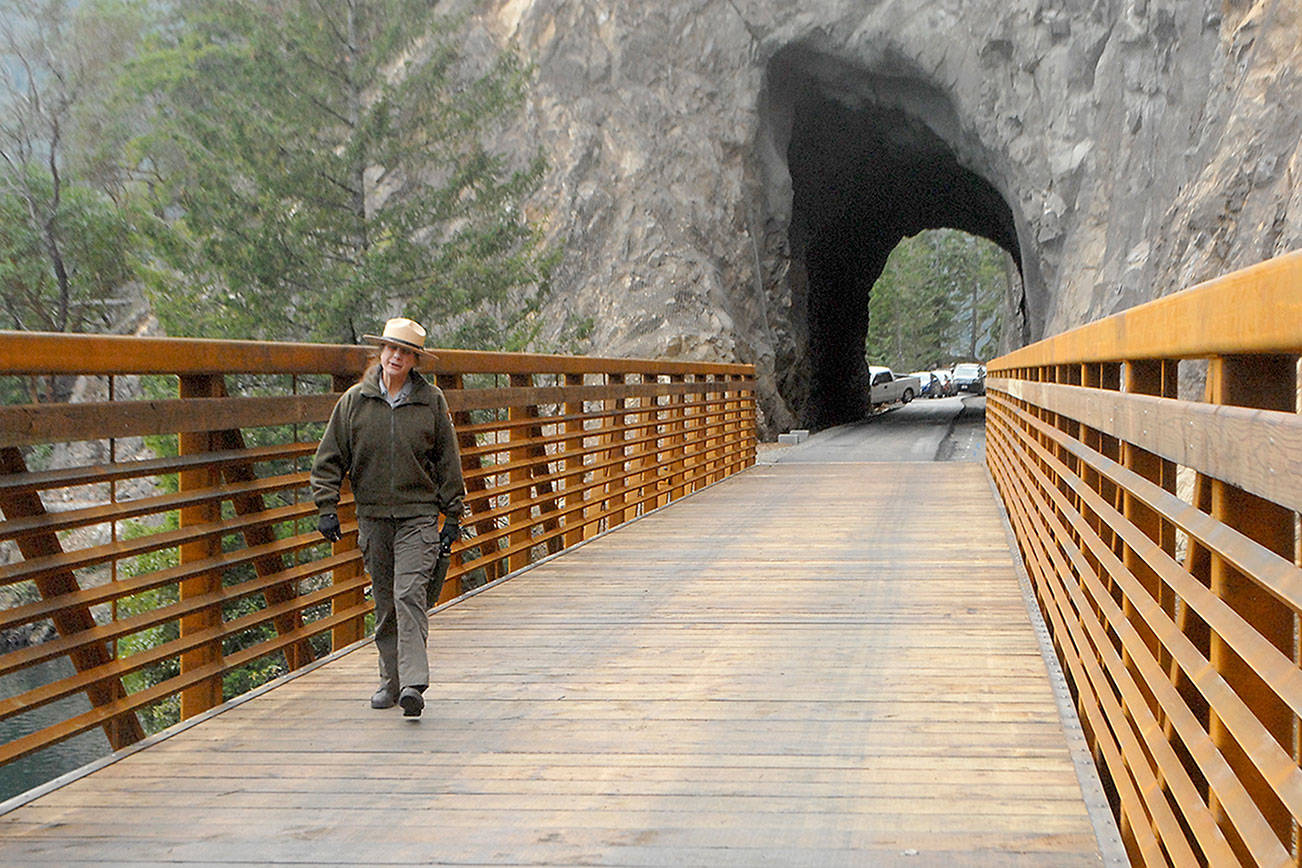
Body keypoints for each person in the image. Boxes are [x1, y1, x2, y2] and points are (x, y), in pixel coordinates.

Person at [310, 317, 465, 718]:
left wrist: (453, 514)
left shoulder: (432, 402)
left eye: (406, 352)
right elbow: (328, 460)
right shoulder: (353, 402)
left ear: (415, 360)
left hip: (418, 515)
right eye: (391, 349)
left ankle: (413, 683)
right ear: (380, 353)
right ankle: (390, 680)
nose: (397, 357)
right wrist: (326, 507)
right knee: (384, 601)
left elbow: (449, 461)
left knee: (408, 594)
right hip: (374, 517)